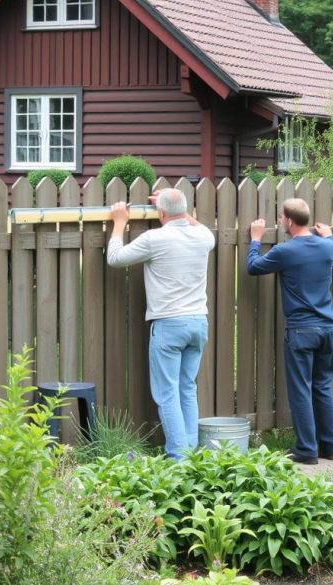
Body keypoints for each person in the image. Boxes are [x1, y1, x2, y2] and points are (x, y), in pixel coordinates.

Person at [106, 188, 215, 460]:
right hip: (198, 323)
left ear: (161, 213)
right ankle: (191, 456)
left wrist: (120, 222)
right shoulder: (204, 236)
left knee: (167, 394)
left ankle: (179, 458)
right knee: (187, 389)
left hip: (169, 324)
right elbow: (191, 221)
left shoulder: (155, 238)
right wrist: (175, 207)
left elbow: (115, 258)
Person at [247, 198, 333, 465]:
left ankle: (306, 449)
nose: (280, 221)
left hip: (301, 330)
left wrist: (256, 239)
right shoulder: (327, 246)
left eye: (281, 217)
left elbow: (253, 267)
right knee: (323, 387)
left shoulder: (285, 251)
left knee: (301, 389)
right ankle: (331, 447)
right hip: (327, 328)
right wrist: (331, 236)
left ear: (290, 221)